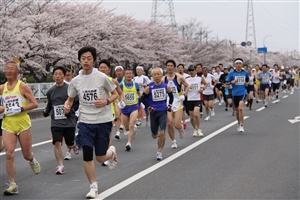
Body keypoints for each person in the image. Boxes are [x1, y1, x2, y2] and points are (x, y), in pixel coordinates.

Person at [64, 46, 118, 199]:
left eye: (89, 58)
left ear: (94, 60)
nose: (86, 61)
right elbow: (70, 98)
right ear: (79, 60)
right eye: (83, 58)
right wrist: (67, 106)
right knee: (87, 154)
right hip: (85, 121)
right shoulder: (75, 81)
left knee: (100, 157)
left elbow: (115, 94)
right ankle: (93, 187)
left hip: (103, 120)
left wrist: (106, 101)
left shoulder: (102, 77)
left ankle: (111, 152)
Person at [0, 61, 41, 195]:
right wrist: (2, 109)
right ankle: (13, 184)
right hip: (8, 124)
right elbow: (1, 106)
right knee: (9, 154)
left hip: (23, 123)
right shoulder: (1, 88)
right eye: (7, 69)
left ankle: (31, 159)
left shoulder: (22, 86)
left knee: (26, 154)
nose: (8, 71)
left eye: (12, 69)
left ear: (18, 72)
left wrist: (21, 108)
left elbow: (35, 104)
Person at [43, 66, 79, 174]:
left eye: (60, 74)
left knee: (69, 144)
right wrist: (46, 111)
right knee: (57, 143)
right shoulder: (50, 91)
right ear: (53, 76)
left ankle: (74, 145)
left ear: (63, 76)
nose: (58, 76)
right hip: (56, 122)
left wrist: (70, 110)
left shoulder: (70, 89)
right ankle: (60, 165)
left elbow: (77, 103)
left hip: (69, 121)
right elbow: (50, 104)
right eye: (55, 74)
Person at [140, 67, 173, 160]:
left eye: (158, 74)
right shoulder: (149, 87)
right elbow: (142, 99)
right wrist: (149, 107)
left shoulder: (166, 86)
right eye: (154, 74)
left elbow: (171, 96)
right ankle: (158, 136)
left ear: (161, 75)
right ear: (152, 76)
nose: (156, 76)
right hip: (154, 113)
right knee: (154, 136)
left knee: (162, 133)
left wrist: (169, 105)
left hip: (163, 111)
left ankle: (159, 152)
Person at [163, 60, 189, 149]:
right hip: (168, 102)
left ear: (174, 67)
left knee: (176, 124)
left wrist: (184, 94)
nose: (169, 67)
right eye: (168, 66)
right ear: (166, 67)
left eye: (171, 66)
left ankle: (180, 128)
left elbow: (187, 86)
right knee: (169, 123)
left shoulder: (179, 77)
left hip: (178, 101)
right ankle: (173, 141)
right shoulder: (164, 79)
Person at [119, 68, 141, 151]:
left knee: (131, 124)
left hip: (134, 107)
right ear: (125, 75)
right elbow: (118, 94)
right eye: (127, 73)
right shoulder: (121, 85)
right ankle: (132, 130)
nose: (128, 75)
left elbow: (139, 94)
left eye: (130, 73)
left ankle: (129, 143)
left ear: (132, 75)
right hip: (125, 108)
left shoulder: (136, 84)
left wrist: (139, 102)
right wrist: (119, 102)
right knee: (127, 128)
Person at [226, 58, 249, 132]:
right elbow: (226, 83)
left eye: (240, 64)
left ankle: (242, 125)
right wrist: (232, 82)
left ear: (242, 64)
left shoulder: (245, 72)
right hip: (234, 93)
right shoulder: (231, 73)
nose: (238, 65)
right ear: (235, 65)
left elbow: (247, 80)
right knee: (237, 111)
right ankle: (238, 123)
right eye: (237, 64)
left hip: (243, 92)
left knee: (241, 108)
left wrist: (246, 84)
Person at [185, 65, 207, 137]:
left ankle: (199, 129)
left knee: (196, 114)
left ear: (195, 70)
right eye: (190, 70)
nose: (191, 72)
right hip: (189, 99)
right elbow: (183, 87)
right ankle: (195, 129)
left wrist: (202, 89)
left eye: (192, 70)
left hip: (197, 98)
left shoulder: (200, 78)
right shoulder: (186, 79)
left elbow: (206, 84)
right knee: (191, 117)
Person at [63, 65, 79, 160]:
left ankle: (68, 152)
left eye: (69, 71)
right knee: (65, 132)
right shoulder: (60, 83)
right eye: (66, 71)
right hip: (63, 111)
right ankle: (73, 145)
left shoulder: (77, 82)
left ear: (73, 72)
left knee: (71, 131)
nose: (68, 73)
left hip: (75, 111)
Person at [177, 64, 190, 129]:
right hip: (178, 95)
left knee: (186, 109)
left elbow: (188, 85)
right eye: (178, 68)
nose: (180, 69)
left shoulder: (187, 76)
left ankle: (183, 120)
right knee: (182, 109)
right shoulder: (176, 76)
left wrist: (185, 93)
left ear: (183, 69)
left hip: (186, 94)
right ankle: (183, 122)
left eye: (181, 68)